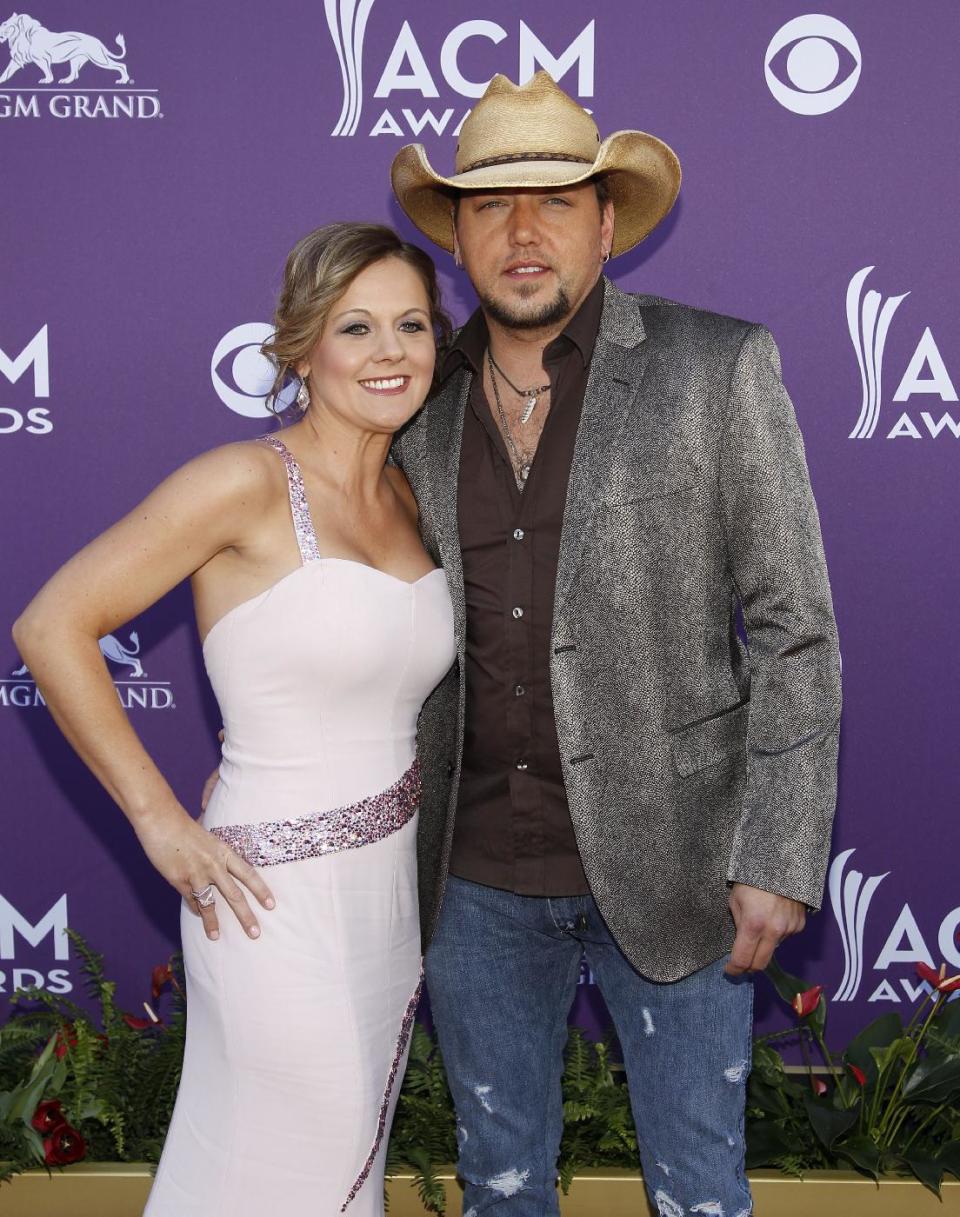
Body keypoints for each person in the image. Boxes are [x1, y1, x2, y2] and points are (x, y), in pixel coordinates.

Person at [387, 73, 843, 1216]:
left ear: (606, 222)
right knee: (501, 1189)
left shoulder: (715, 368)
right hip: (472, 881)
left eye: (554, 199)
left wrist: (779, 855)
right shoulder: (413, 407)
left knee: (700, 1195)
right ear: (454, 234)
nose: (523, 231)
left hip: (683, 871)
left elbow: (796, 628)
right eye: (491, 205)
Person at [12, 223, 457, 1216]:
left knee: (334, 1172)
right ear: (304, 347)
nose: (390, 351)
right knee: (294, 1164)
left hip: (387, 898)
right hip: (267, 900)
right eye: (357, 326)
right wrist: (158, 816)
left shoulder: (412, 497)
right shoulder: (243, 482)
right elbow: (53, 624)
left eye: (412, 324)